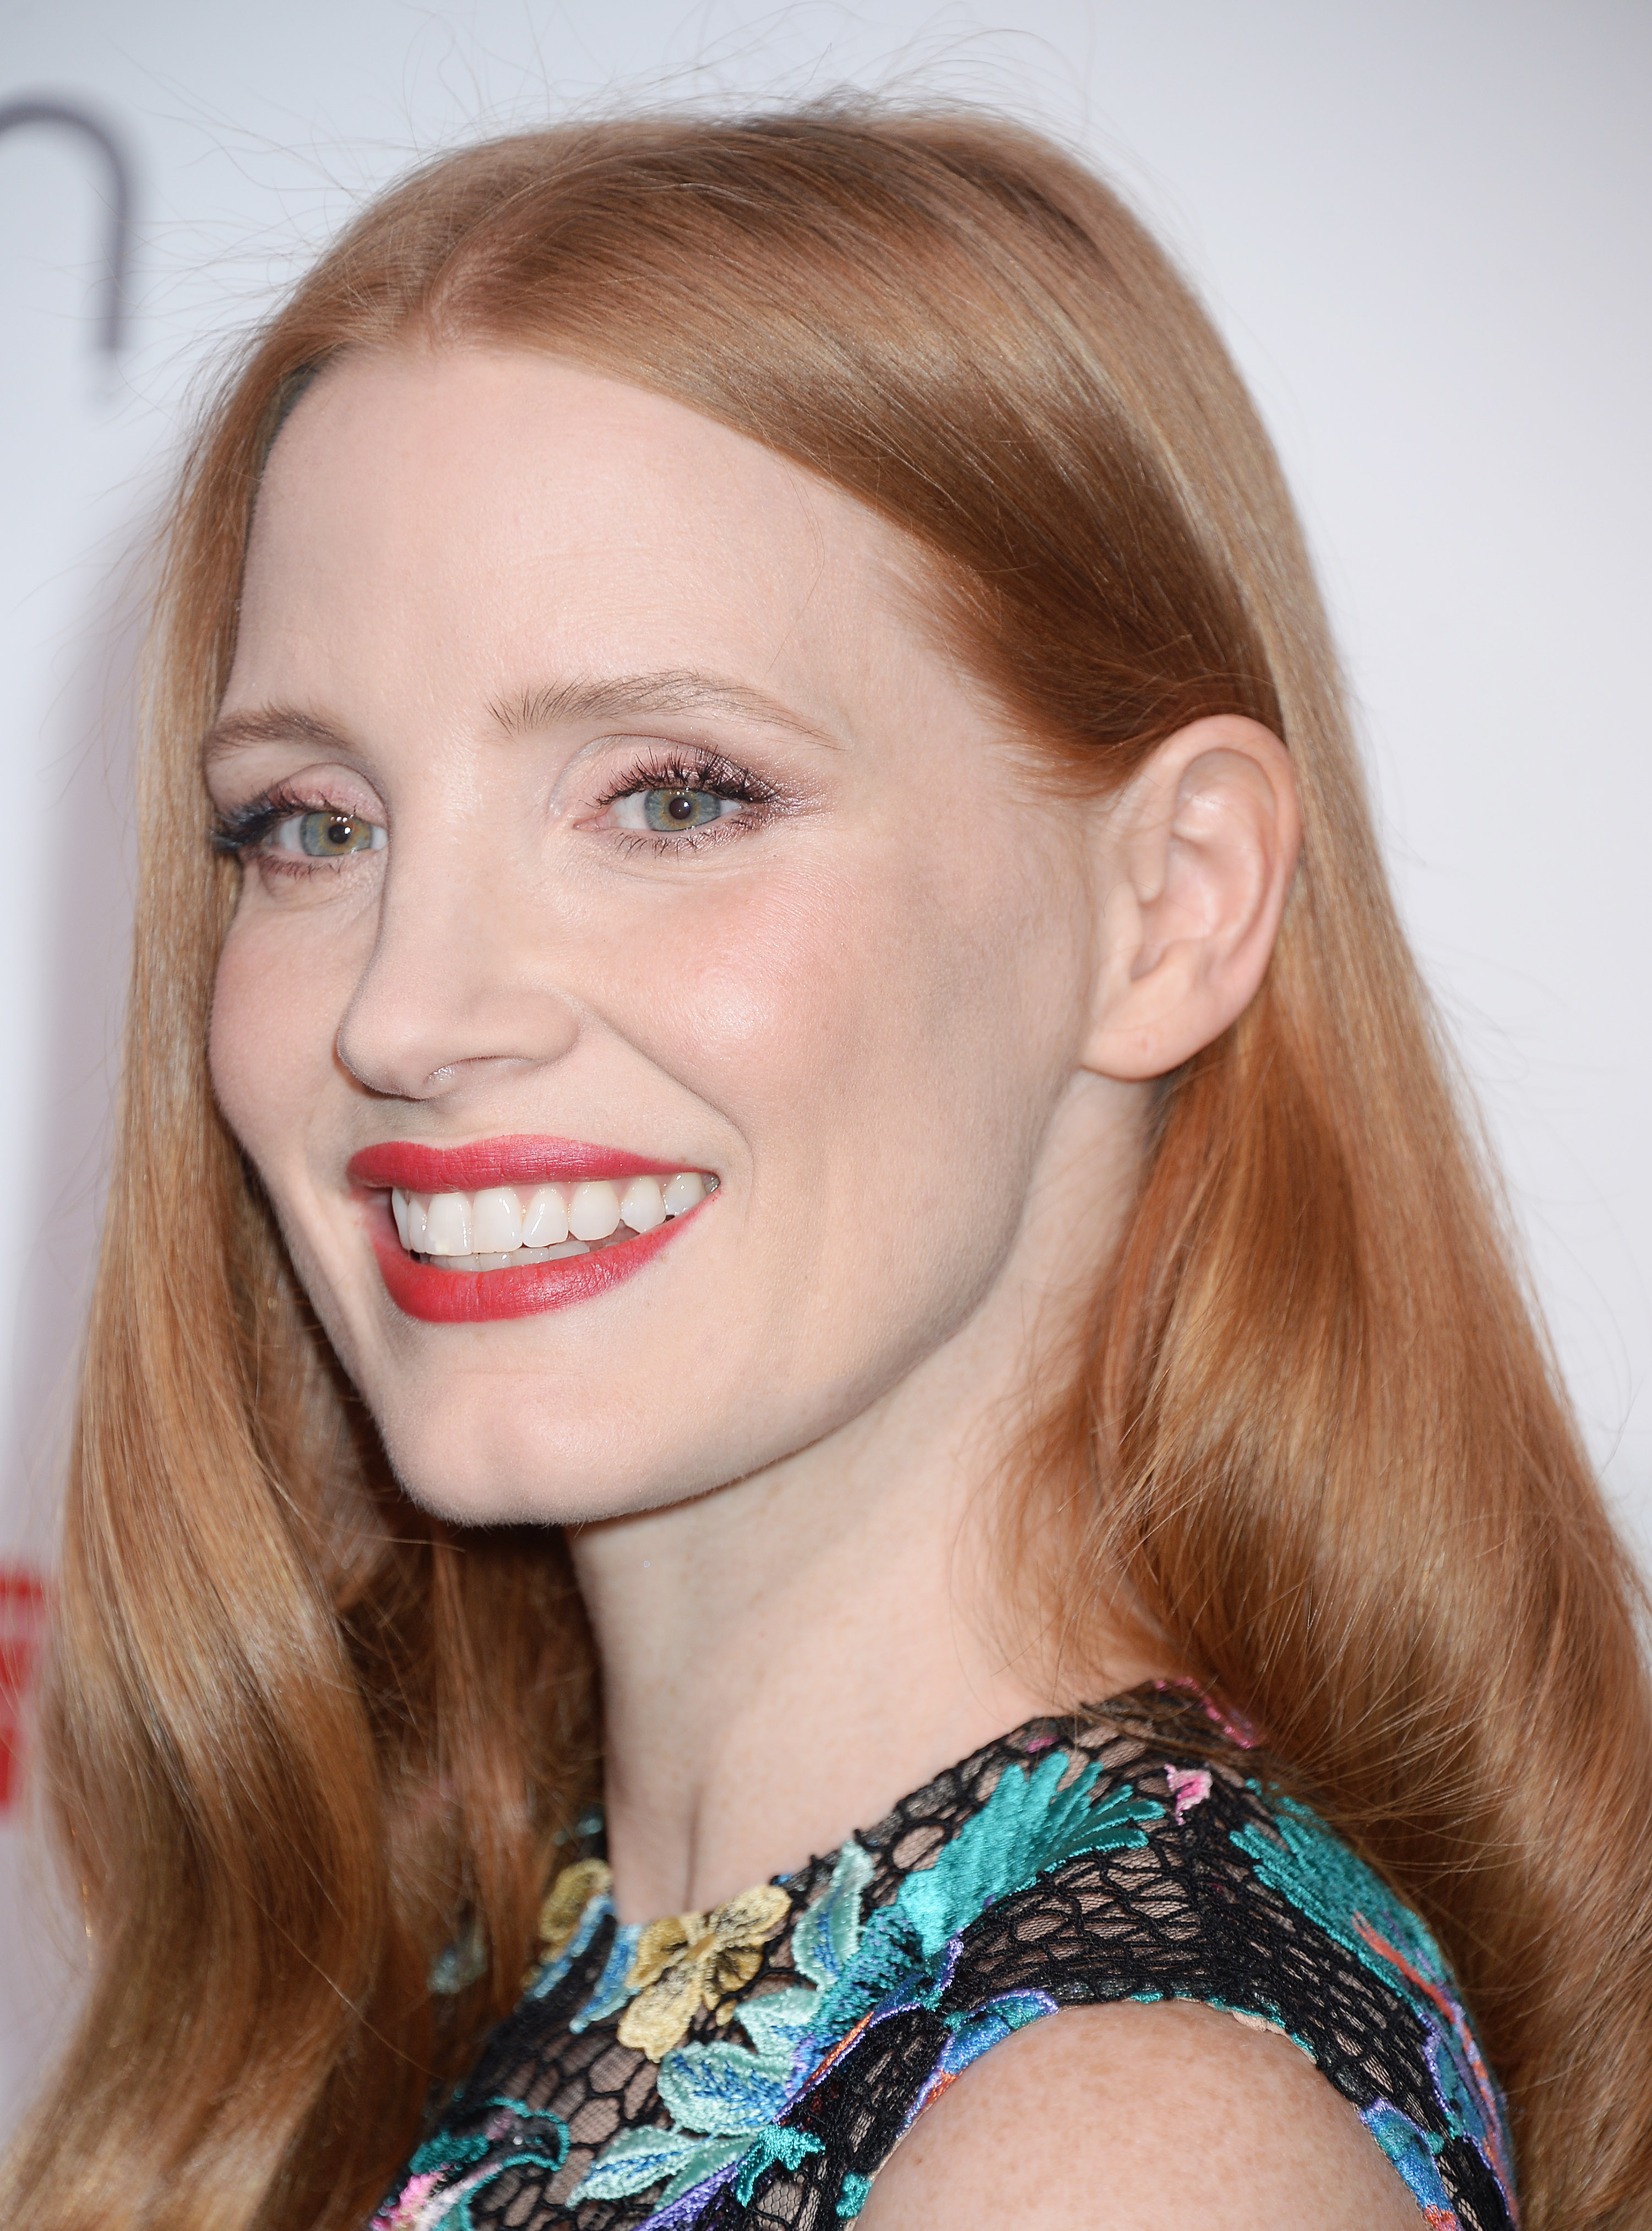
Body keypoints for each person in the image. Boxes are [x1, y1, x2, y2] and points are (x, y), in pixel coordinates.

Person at [8, 104, 1650, 2231]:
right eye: (313, 823)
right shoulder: (465, 1948)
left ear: (1169, 901)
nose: (405, 1013)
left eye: (675, 794)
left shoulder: (1123, 2151)